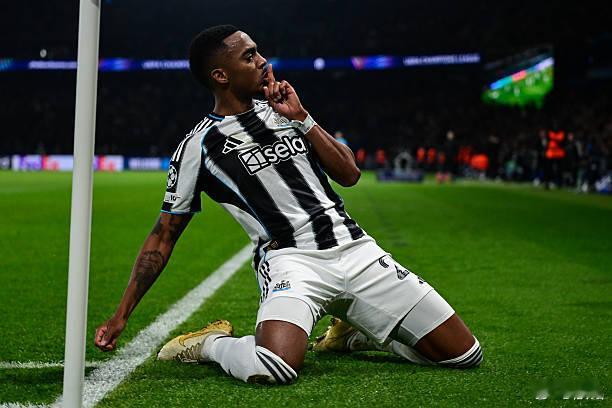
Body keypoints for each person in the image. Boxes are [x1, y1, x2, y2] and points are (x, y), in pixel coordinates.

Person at [94, 25, 483, 385]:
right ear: (221, 75)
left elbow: (350, 173)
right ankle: (210, 344)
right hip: (292, 262)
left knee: (464, 355)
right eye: (249, 56)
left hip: (356, 250)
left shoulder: (285, 111)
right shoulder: (199, 146)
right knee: (274, 366)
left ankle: (350, 336)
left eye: (258, 51)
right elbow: (164, 234)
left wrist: (303, 118)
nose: (262, 61)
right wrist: (121, 315)